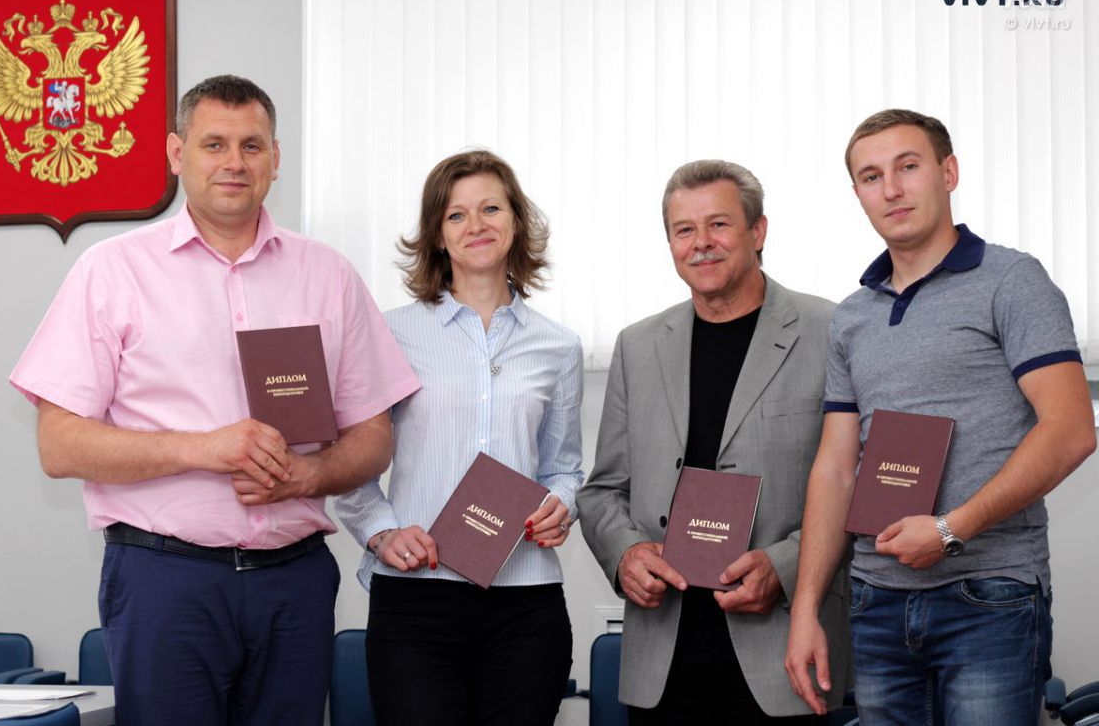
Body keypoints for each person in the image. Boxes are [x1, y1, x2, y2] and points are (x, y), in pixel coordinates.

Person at [9, 75, 420, 726]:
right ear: (177, 153)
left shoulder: (329, 275)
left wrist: (308, 474)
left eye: (252, 146)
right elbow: (58, 445)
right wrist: (205, 449)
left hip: (294, 583)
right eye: (214, 144)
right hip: (165, 580)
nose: (234, 162)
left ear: (275, 159)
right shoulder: (111, 270)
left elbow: (373, 435)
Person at [785, 109, 1096, 726]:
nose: (891, 189)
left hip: (989, 595)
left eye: (908, 166)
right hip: (875, 600)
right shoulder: (852, 317)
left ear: (948, 172)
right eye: (871, 176)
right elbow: (836, 468)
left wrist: (952, 529)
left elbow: (1070, 430)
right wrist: (805, 610)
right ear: (857, 194)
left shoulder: (1012, 280)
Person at [577, 160, 850, 723]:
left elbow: (859, 480)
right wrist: (625, 553)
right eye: (684, 230)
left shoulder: (832, 330)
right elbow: (602, 491)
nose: (701, 243)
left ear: (758, 231)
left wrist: (786, 566)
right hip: (664, 658)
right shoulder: (638, 345)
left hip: (783, 652)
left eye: (719, 224)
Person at [335, 149, 584, 726]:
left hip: (526, 602)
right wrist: (381, 533)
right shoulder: (390, 334)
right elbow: (349, 463)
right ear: (437, 235)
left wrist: (561, 505)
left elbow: (564, 468)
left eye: (491, 208)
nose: (476, 225)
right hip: (416, 598)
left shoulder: (558, 345)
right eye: (456, 214)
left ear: (516, 220)